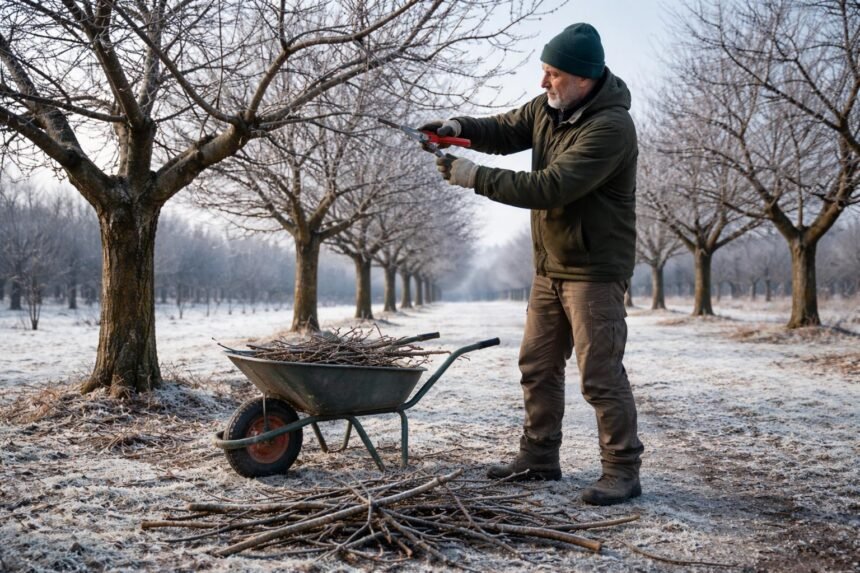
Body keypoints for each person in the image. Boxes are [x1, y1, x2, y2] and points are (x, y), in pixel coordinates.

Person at [420, 23, 644, 505]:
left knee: (600, 374)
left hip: (593, 272)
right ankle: (539, 457)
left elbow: (550, 188)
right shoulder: (549, 109)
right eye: (544, 71)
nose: (544, 83)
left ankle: (623, 470)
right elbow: (502, 129)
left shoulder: (611, 128)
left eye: (553, 74)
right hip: (550, 267)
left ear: (584, 78)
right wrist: (460, 130)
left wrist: (472, 176)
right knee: (537, 365)